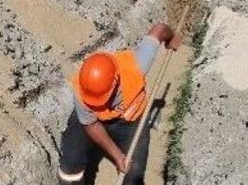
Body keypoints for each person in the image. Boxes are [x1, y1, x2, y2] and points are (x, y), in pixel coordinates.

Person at [58, 23, 181, 184]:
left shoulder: (136, 66)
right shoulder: (81, 88)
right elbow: (91, 125)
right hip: (95, 121)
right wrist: (117, 155)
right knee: (69, 164)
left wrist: (171, 37)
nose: (100, 104)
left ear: (115, 83)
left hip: (131, 122)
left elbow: (159, 30)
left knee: (134, 172)